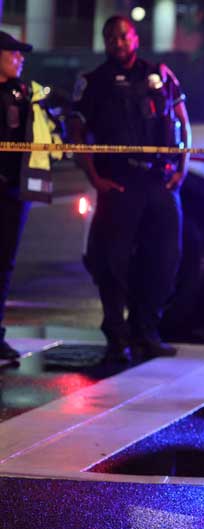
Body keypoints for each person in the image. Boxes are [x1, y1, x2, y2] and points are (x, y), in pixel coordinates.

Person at [69, 15, 191, 363]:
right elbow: (76, 133)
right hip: (118, 183)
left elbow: (183, 121)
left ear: (135, 38)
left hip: (160, 181)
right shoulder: (93, 82)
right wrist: (94, 177)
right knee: (111, 264)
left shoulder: (160, 75)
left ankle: (146, 332)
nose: (118, 42)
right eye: (111, 37)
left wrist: (182, 168)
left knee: (164, 260)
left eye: (123, 36)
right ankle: (116, 336)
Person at [0, 32, 38, 360]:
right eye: (13, 53)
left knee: (4, 264)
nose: (20, 58)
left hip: (14, 191)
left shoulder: (22, 93)